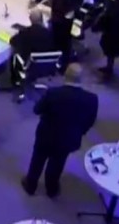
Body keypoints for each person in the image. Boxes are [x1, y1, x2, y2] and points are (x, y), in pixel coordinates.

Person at [21, 64, 98, 198]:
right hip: (68, 139)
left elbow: (36, 110)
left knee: (38, 160)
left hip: (46, 136)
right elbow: (90, 122)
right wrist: (79, 132)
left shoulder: (53, 93)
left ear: (65, 76)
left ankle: (31, 185)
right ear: (81, 79)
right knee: (57, 163)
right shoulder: (92, 99)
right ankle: (51, 189)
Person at [34, 0, 84, 64]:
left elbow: (79, 0)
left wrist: (73, 11)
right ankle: (56, 57)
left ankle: (65, 59)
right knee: (55, 34)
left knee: (65, 38)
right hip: (56, 10)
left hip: (67, 13)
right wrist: (37, 0)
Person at [9, 9, 54, 86]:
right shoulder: (49, 33)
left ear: (30, 20)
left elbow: (12, 41)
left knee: (14, 55)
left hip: (31, 65)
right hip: (48, 64)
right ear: (42, 19)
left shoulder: (25, 33)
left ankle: (16, 81)